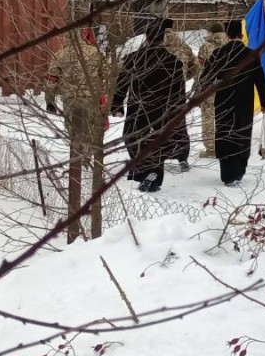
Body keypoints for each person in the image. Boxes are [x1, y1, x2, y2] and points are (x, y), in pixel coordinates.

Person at [45, 27, 111, 234]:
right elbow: (107, 74)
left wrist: (49, 100)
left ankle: (78, 160)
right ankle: (88, 159)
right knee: (91, 130)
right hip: (91, 98)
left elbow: (52, 78)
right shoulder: (95, 53)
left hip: (71, 100)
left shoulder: (61, 54)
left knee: (73, 130)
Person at [112, 18, 186, 193]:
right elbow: (179, 90)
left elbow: (122, 83)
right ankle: (153, 174)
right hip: (163, 108)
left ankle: (144, 171)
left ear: (146, 38)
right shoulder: (173, 61)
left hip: (138, 107)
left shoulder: (133, 58)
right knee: (158, 141)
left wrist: (117, 105)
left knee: (132, 138)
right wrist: (179, 110)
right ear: (162, 39)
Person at [201, 18, 265, 186]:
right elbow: (260, 81)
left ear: (227, 34)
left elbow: (205, 79)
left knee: (225, 134)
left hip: (223, 101)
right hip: (244, 102)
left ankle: (227, 173)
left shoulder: (218, 54)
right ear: (241, 34)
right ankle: (239, 170)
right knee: (242, 133)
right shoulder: (251, 55)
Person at [162, 24, 198, 172]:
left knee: (157, 123)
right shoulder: (184, 47)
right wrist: (184, 78)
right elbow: (195, 67)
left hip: (158, 89)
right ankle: (182, 158)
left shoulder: (157, 45)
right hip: (178, 90)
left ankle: (159, 156)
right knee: (179, 124)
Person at [195, 21, 229, 157]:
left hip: (209, 87)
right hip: (228, 86)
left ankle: (211, 149)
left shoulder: (206, 47)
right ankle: (225, 146)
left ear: (211, 32)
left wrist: (198, 88)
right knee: (225, 116)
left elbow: (200, 69)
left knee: (208, 116)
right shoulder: (230, 45)